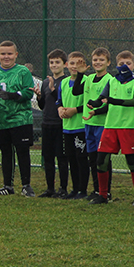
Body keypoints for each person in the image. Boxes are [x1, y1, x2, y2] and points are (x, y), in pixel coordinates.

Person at [86, 51, 134, 206]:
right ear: (116, 65)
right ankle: (103, 195)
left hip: (128, 126)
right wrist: (94, 103)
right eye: (121, 64)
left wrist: (112, 100)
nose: (124, 66)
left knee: (131, 161)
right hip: (110, 125)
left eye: (128, 63)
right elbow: (101, 100)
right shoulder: (112, 81)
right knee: (101, 160)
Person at [0, 41, 36, 196]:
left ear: (16, 55)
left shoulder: (23, 71)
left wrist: (13, 95)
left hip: (21, 119)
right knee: (6, 152)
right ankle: (8, 186)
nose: (6, 57)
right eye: (3, 54)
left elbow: (29, 92)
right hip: (1, 121)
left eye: (9, 53)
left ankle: (26, 185)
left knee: (22, 150)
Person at [75, 47, 113, 201]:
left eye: (101, 60)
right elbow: (76, 91)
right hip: (88, 123)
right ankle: (97, 190)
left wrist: (97, 111)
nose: (98, 62)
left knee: (102, 159)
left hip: (102, 123)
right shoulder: (89, 78)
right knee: (92, 158)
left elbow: (109, 104)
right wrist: (80, 74)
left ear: (108, 62)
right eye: (95, 60)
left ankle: (106, 191)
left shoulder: (110, 80)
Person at [35, 49, 68, 198]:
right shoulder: (45, 82)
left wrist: (54, 90)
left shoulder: (66, 82)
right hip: (46, 124)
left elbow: (63, 102)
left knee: (61, 158)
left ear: (64, 64)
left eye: (57, 62)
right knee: (48, 158)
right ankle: (50, 188)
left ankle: (63, 188)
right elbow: (43, 105)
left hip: (60, 124)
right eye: (51, 62)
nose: (54, 65)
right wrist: (39, 97)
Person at [59, 51, 89, 200]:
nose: (75, 66)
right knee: (71, 158)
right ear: (67, 65)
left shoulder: (87, 81)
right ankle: (75, 189)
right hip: (67, 127)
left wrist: (75, 110)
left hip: (81, 126)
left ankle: (83, 190)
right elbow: (59, 100)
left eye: (79, 63)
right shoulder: (64, 82)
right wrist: (60, 109)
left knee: (81, 158)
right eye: (72, 63)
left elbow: (90, 103)